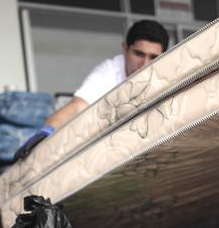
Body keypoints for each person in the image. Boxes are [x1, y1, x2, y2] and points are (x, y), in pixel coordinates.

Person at [13, 20, 169, 161]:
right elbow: (77, 106)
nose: (145, 64)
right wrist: (47, 132)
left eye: (153, 57)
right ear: (125, 49)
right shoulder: (108, 72)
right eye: (138, 54)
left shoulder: (169, 73)